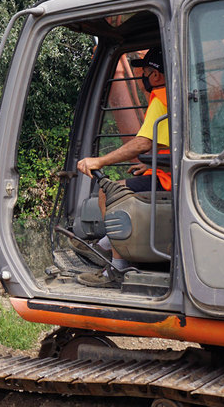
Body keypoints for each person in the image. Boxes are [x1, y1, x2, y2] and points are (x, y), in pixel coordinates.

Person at [73, 47, 170, 287]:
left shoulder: (160, 98)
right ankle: (106, 243)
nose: (142, 78)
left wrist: (99, 161)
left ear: (155, 76)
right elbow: (167, 144)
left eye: (145, 72)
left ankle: (116, 266)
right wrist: (152, 167)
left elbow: (141, 143)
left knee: (108, 192)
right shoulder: (175, 97)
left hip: (169, 181)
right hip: (169, 174)